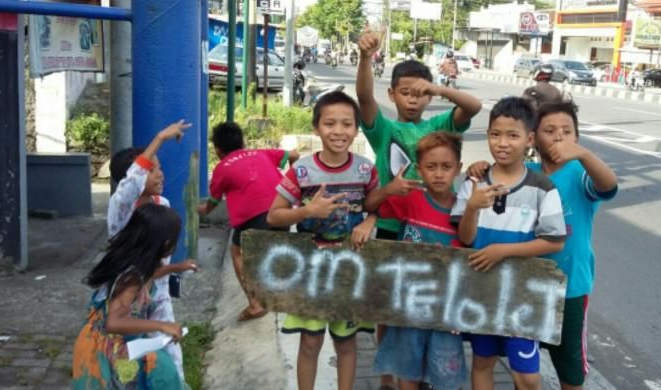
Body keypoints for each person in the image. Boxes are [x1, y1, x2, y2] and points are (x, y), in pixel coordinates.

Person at [357, 26, 482, 390]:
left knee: (429, 304)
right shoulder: (382, 129)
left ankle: (422, 373)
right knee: (389, 306)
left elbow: (473, 106)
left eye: (421, 94)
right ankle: (387, 374)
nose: (414, 99)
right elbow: (364, 97)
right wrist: (366, 57)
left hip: (434, 229)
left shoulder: (440, 124)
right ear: (392, 94)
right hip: (392, 228)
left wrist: (440, 88)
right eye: (406, 93)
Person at [451, 97, 566, 390]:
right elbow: (465, 238)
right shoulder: (474, 182)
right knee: (482, 362)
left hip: (523, 297)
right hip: (482, 293)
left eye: (512, 136)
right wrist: (473, 207)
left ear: (529, 139)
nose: (502, 143)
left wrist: (504, 251)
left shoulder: (542, 188)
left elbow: (554, 242)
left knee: (527, 377)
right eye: (495, 134)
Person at [266, 91, 380, 390]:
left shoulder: (366, 168)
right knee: (310, 342)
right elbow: (273, 216)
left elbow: (376, 207)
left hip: (349, 273)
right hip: (310, 274)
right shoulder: (302, 170)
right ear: (317, 127)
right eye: (330, 124)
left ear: (357, 129)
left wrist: (370, 220)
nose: (339, 131)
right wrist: (308, 210)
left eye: (347, 124)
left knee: (346, 343)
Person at [358, 132, 467, 390]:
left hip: (446, 312)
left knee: (445, 375)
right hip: (407, 307)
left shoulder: (465, 211)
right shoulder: (411, 198)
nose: (439, 174)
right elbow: (370, 204)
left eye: (446, 167)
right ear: (419, 169)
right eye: (431, 167)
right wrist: (384, 195)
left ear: (458, 169)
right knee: (407, 373)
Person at [527, 100, 617, 390]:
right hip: (526, 283)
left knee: (569, 368)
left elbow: (609, 186)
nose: (558, 136)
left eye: (567, 131)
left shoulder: (581, 174)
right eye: (549, 130)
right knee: (523, 363)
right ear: (533, 137)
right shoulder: (524, 171)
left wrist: (585, 155)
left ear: (576, 137)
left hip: (570, 287)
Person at [107, 120, 199, 381]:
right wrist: (159, 137)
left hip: (155, 292)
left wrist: (175, 268)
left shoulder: (162, 205)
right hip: (125, 297)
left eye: (159, 168)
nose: (160, 174)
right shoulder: (120, 209)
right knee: (124, 360)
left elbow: (154, 267)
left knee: (171, 350)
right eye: (152, 169)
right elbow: (132, 181)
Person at [72, 204, 185, 389]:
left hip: (120, 343)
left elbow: (154, 274)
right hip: (105, 351)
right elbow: (113, 322)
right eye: (174, 238)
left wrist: (179, 267)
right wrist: (162, 325)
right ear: (164, 242)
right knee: (162, 369)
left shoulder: (142, 266)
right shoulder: (132, 279)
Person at [197, 121, 299, 321]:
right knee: (273, 247)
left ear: (217, 150)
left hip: (256, 218)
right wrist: (294, 183)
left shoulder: (222, 168)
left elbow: (214, 202)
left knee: (236, 252)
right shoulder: (262, 153)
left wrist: (200, 210)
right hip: (282, 210)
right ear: (242, 141)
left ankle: (255, 304)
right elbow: (294, 155)